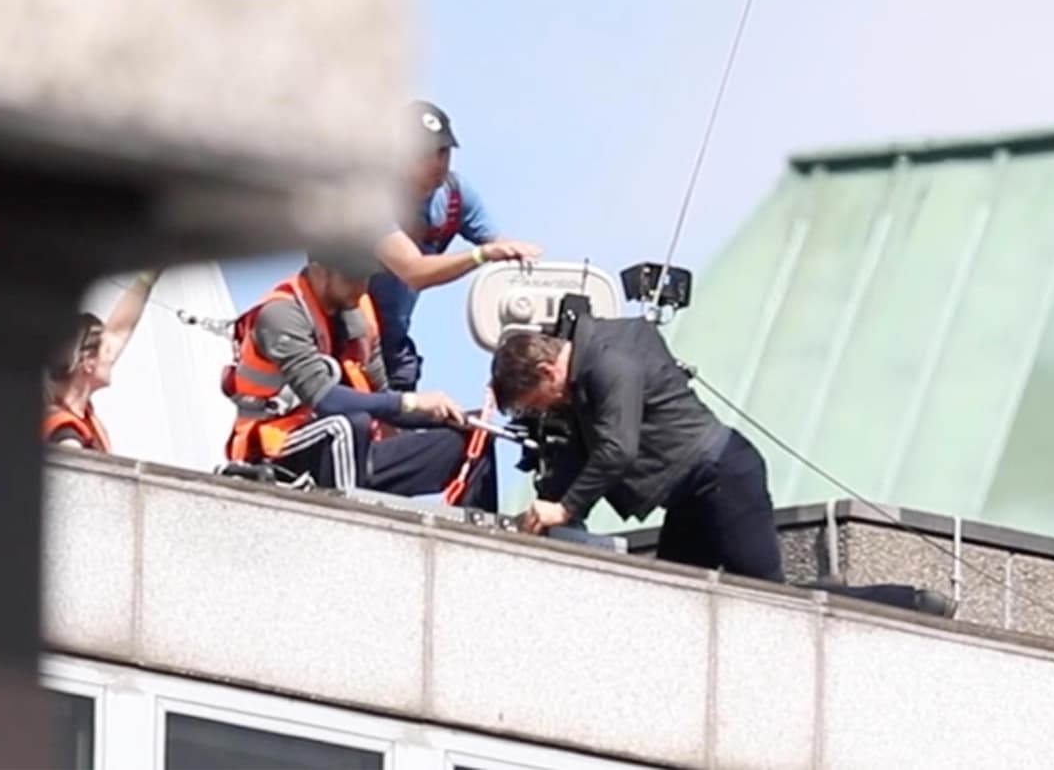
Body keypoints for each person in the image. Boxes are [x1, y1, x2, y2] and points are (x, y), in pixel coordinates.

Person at [489, 316, 956, 617]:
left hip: (722, 476)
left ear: (549, 372)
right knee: (673, 600)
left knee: (773, 603)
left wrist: (565, 509)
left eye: (539, 401)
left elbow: (617, 450)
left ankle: (908, 605)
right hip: (691, 491)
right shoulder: (587, 371)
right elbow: (581, 452)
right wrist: (548, 506)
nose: (548, 409)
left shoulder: (608, 364)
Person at [223, 249, 498, 510]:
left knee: (474, 437)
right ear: (319, 271)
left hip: (353, 450)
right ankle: (351, 527)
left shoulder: (359, 313)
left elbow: (383, 400)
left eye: (366, 277)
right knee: (349, 424)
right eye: (351, 278)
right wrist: (413, 402)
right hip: (277, 447)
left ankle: (483, 541)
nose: (361, 287)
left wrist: (441, 415)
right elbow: (326, 399)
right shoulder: (281, 314)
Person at [370, 100, 542, 391]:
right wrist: (480, 255)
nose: (438, 163)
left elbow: (502, 252)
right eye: (425, 154)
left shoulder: (455, 197)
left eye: (443, 151)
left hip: (393, 348)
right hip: (343, 341)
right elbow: (414, 271)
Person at [42, 270, 161, 452]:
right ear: (87, 364)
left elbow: (118, 330)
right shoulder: (63, 431)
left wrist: (147, 279)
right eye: (106, 351)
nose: (112, 355)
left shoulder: (77, 415)